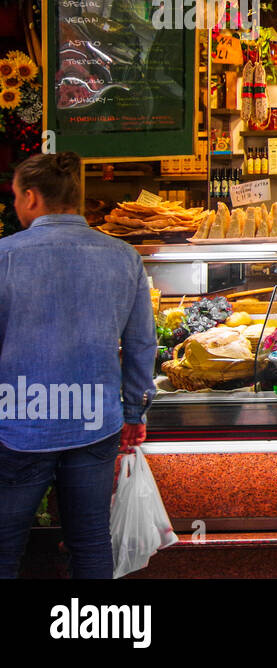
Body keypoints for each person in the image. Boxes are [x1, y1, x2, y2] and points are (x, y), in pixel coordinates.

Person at [0, 152, 156, 579]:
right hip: (94, 419)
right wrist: (134, 412)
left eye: (15, 196)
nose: (15, 205)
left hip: (19, 423)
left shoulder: (5, 255)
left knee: (5, 547)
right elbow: (142, 344)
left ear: (31, 197)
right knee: (90, 543)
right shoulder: (123, 256)